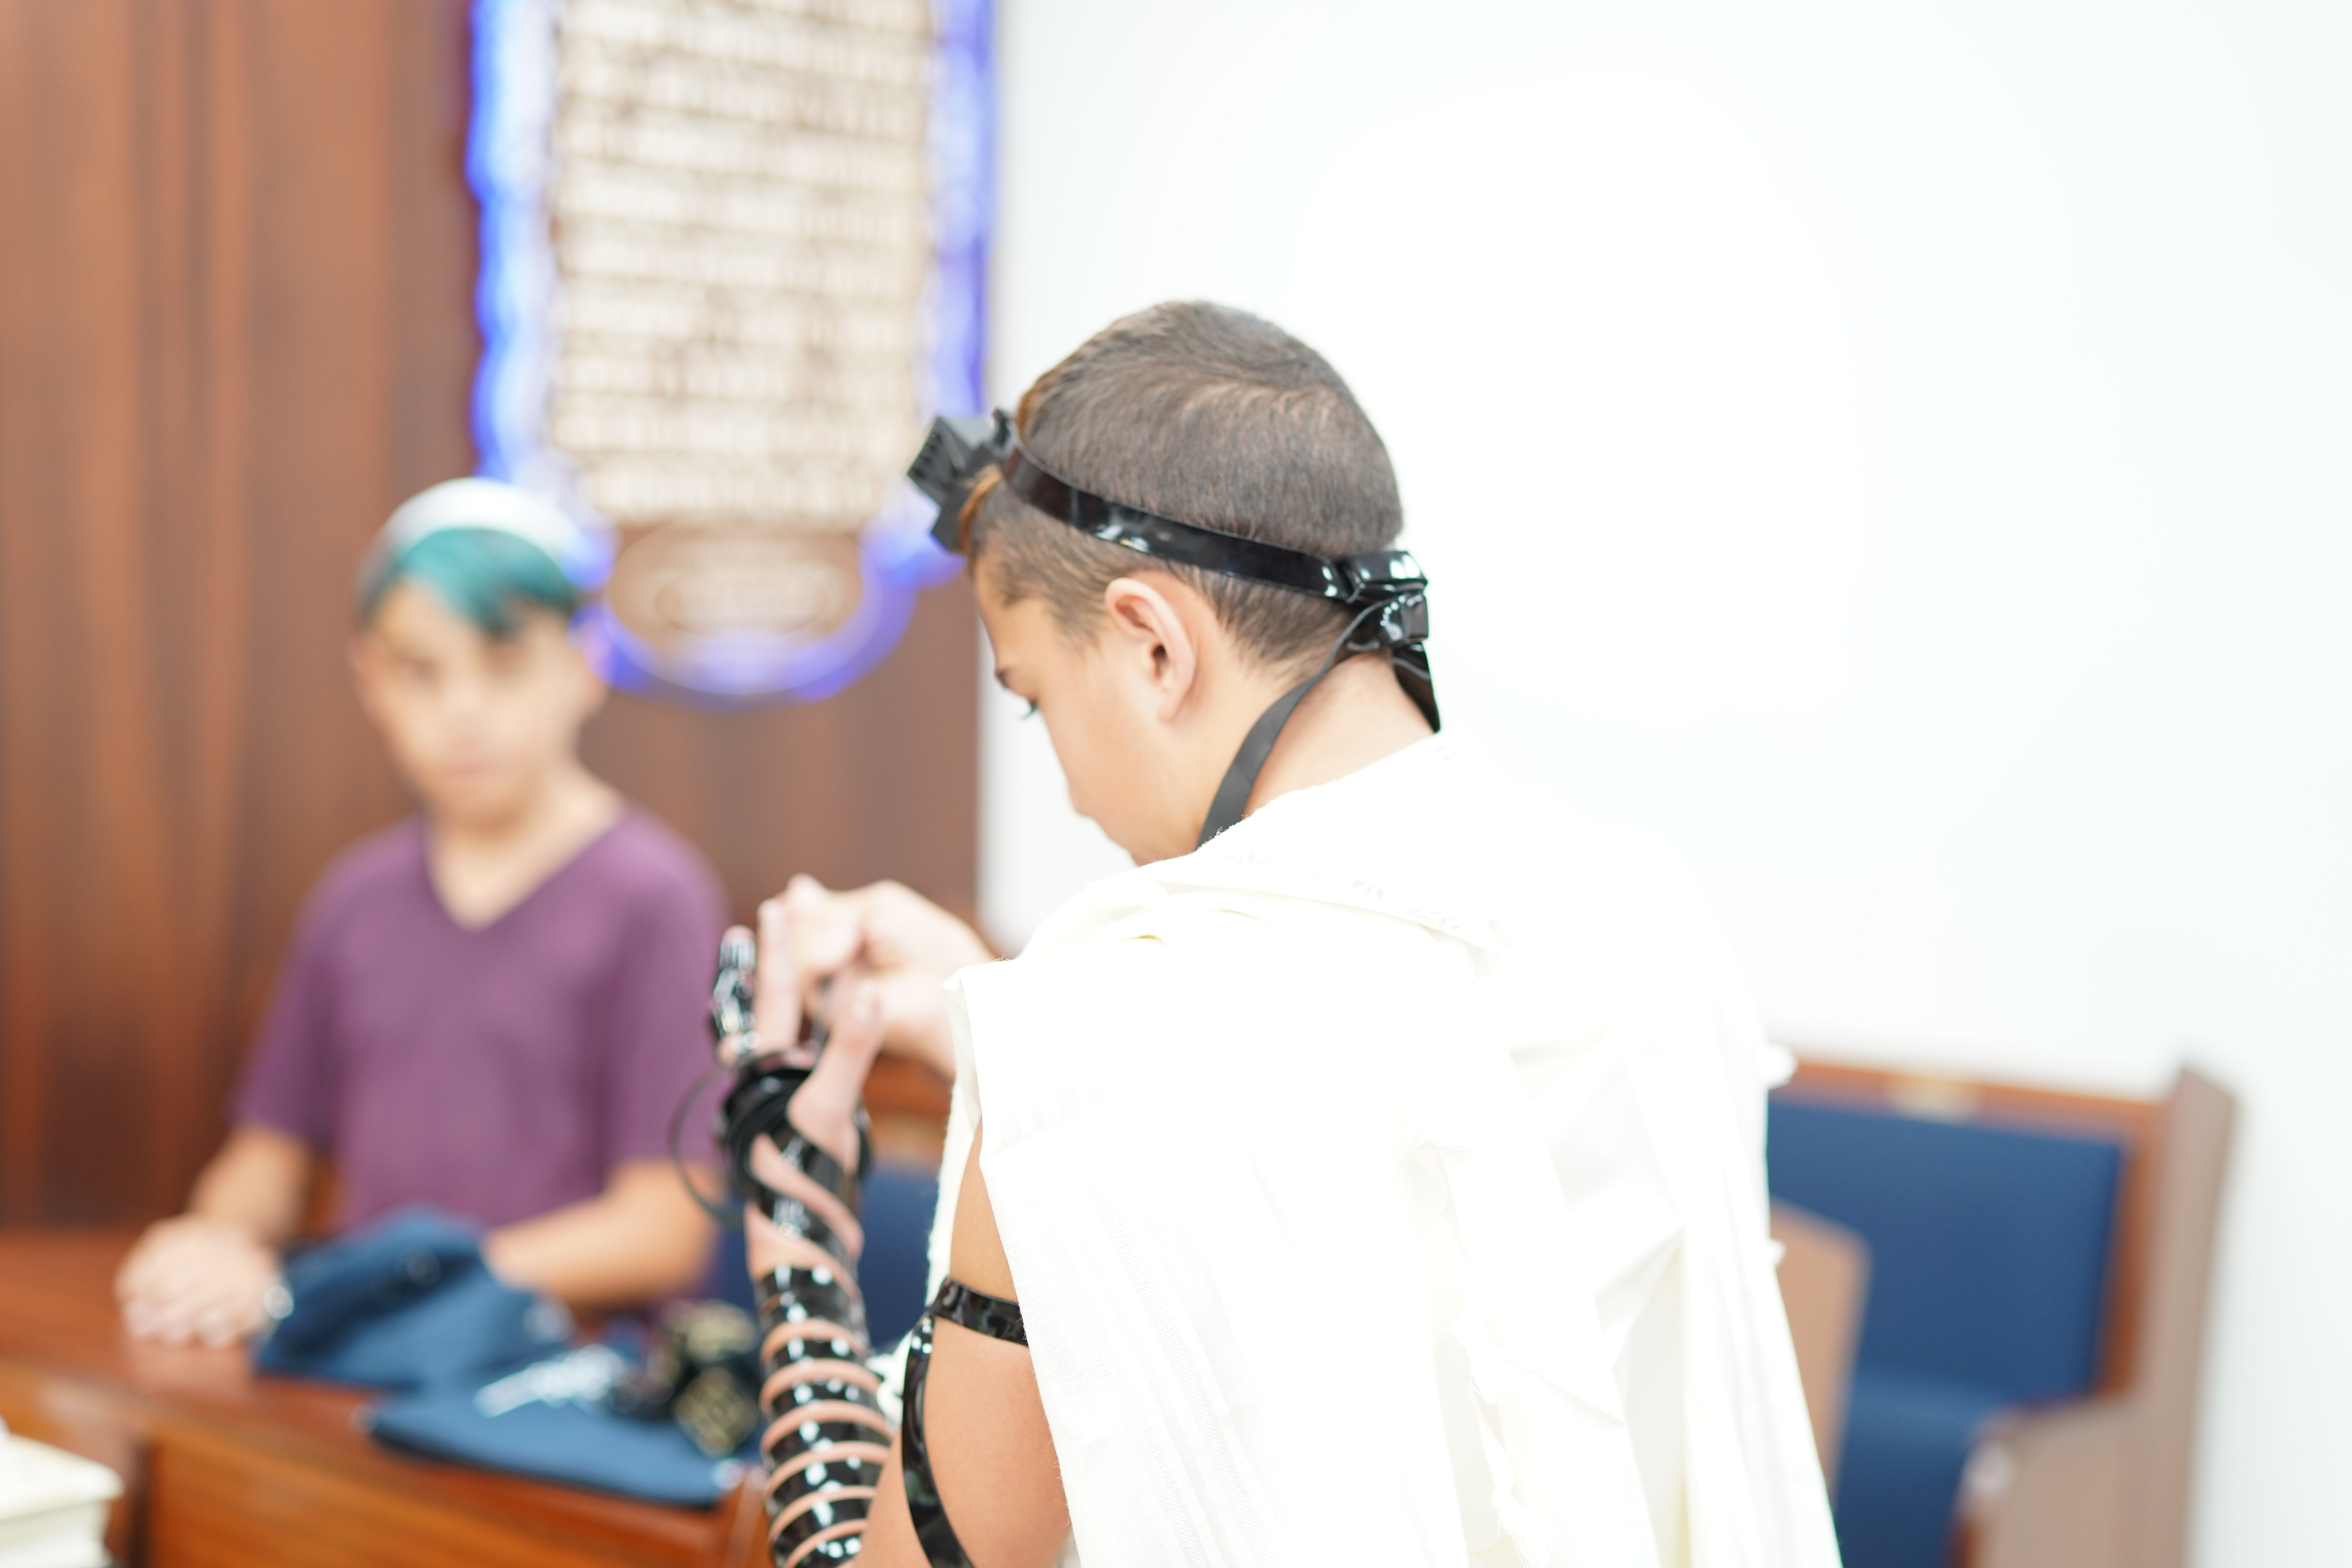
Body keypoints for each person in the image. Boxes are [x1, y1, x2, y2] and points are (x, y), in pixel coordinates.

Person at [741, 301, 1841, 1567]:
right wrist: (1001, 1033)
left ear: (1154, 644)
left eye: (1037, 699)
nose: (1074, 791)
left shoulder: (1098, 1044)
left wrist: (793, 1218)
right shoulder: (1640, 920)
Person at [116, 480, 725, 1347]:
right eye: (420, 672)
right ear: (369, 679)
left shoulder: (654, 898)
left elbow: (662, 1230)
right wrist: (210, 1244)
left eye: (504, 666)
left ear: (583, 665)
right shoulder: (355, 899)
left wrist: (402, 1284)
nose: (462, 713)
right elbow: (267, 1158)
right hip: (364, 1362)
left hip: (563, 1371)